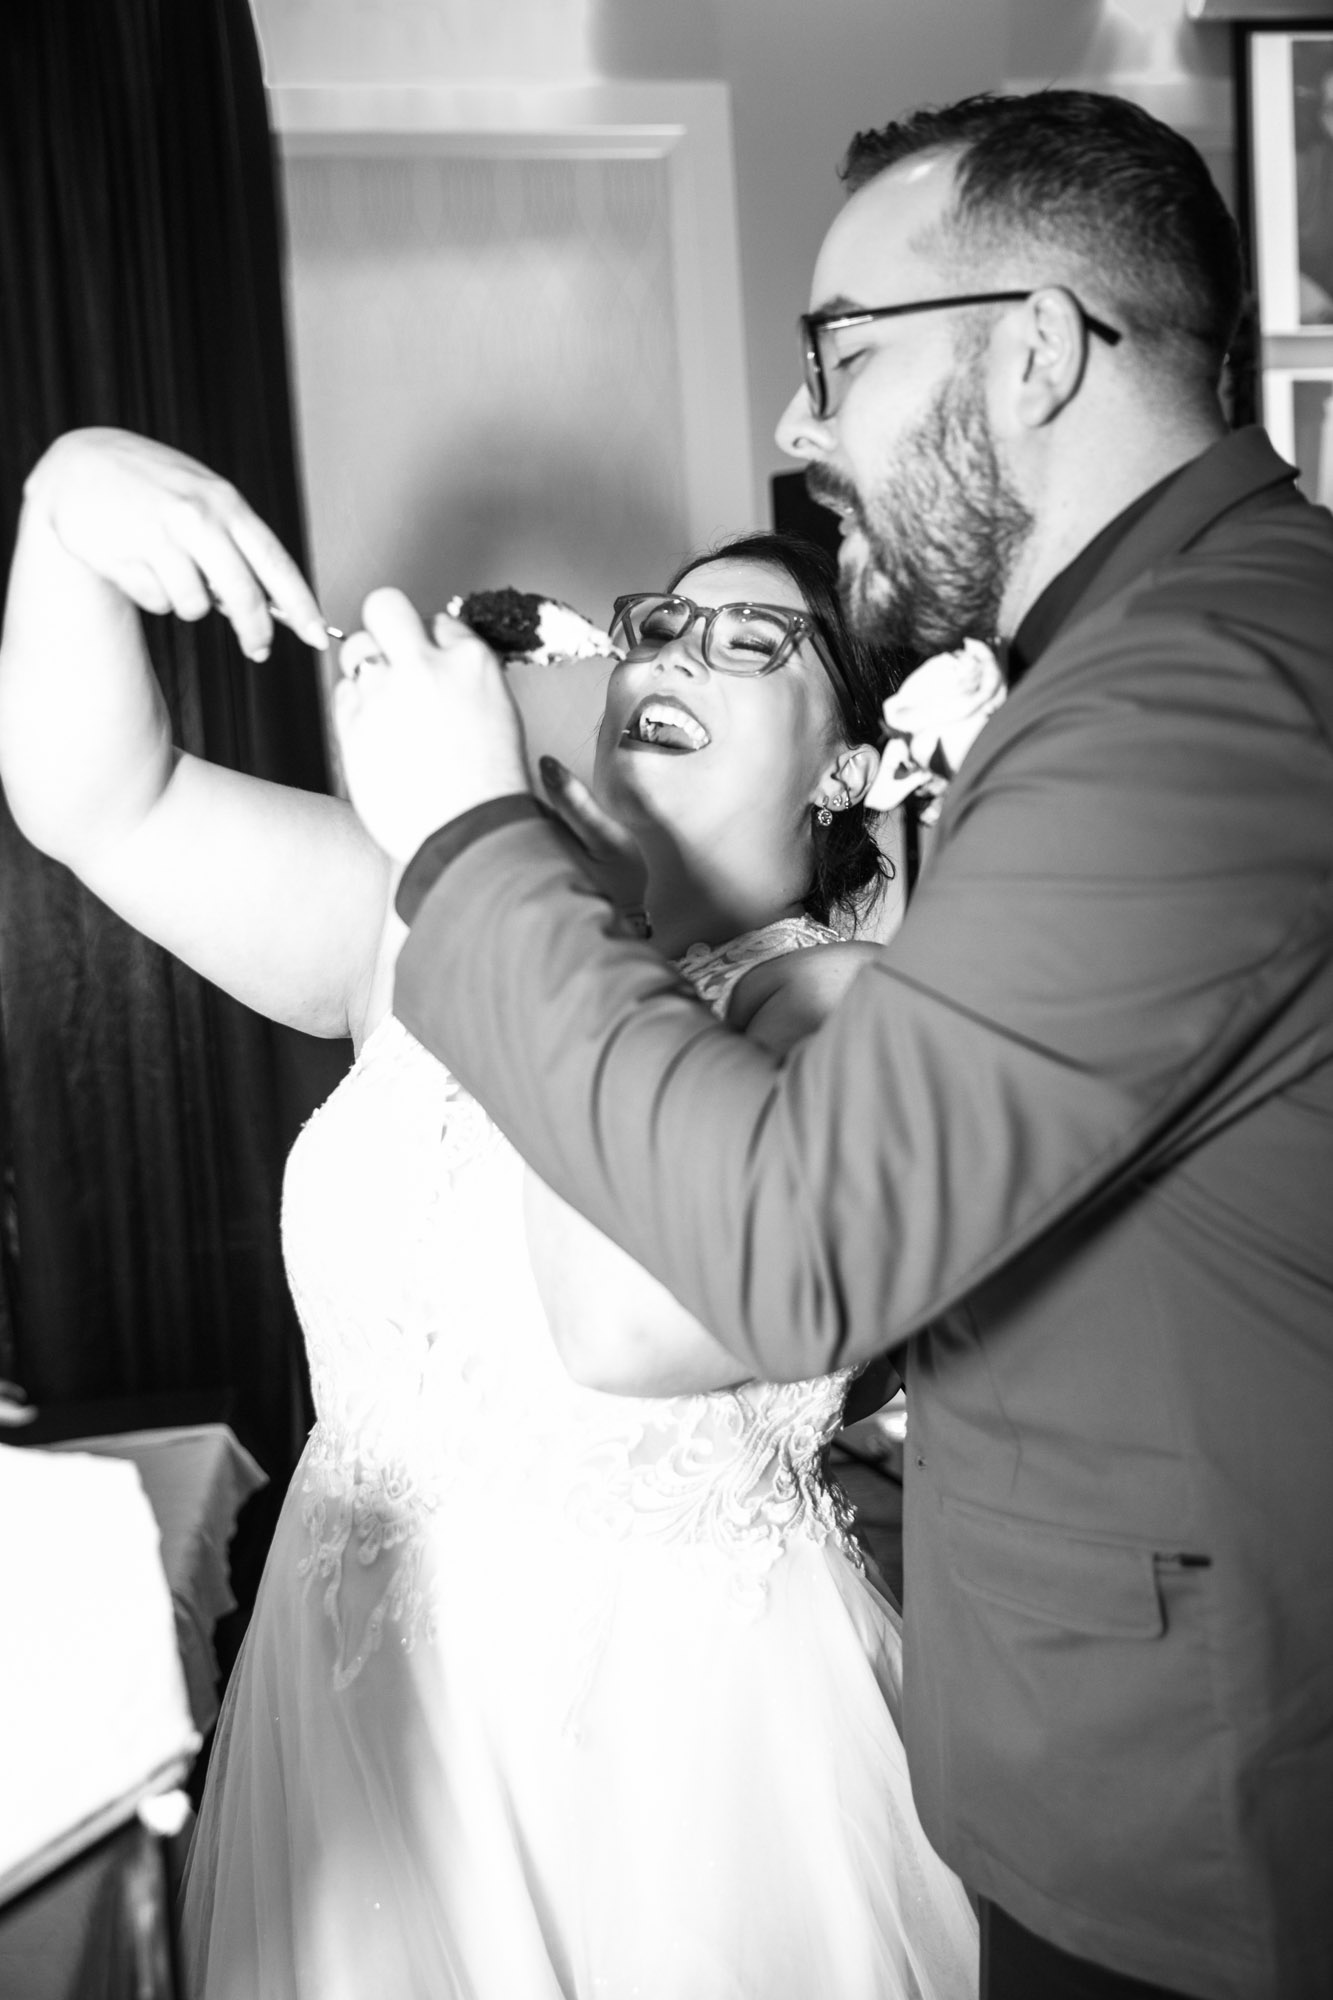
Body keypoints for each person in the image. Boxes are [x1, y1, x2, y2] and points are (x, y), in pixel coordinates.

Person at [333, 90, 1333, 2000]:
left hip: (1198, 1828)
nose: (798, 429)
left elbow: (792, 1248)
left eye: (842, 356)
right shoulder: (1159, 656)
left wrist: (466, 844)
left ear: (1033, 351)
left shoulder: (1186, 697)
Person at [0, 431, 979, 1999]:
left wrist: (547, 890)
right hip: (357, 1740)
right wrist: (66, 510)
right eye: (658, 624)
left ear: (849, 768)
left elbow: (646, 1325)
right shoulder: (418, 934)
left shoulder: (842, 1005)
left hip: (672, 1791)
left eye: (753, 643)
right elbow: (104, 803)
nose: (676, 652)